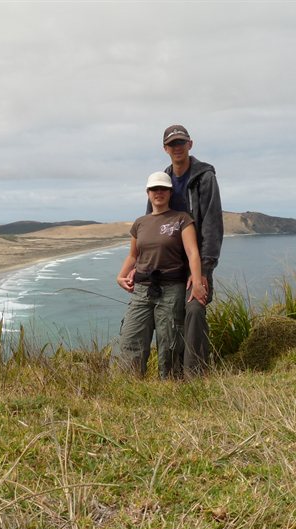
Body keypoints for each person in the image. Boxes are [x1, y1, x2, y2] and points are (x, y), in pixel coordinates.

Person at [117, 172, 207, 378]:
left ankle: (169, 385)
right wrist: (120, 276)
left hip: (171, 289)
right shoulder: (140, 223)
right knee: (131, 340)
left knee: (170, 343)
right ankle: (130, 385)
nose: (159, 192)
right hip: (142, 290)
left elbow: (193, 252)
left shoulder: (182, 219)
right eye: (154, 189)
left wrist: (197, 282)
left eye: (163, 189)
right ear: (148, 193)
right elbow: (133, 255)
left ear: (170, 192)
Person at [150, 124, 223, 374]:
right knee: (170, 314)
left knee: (194, 308)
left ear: (190, 144)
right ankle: (170, 373)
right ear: (165, 149)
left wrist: (203, 270)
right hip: (169, 264)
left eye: (181, 143)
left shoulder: (205, 177)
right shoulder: (162, 180)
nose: (177, 148)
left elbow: (213, 224)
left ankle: (195, 373)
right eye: (172, 144)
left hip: (197, 263)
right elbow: (151, 224)